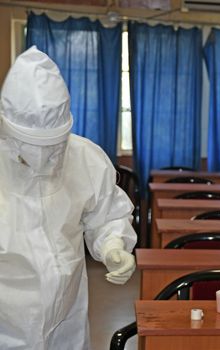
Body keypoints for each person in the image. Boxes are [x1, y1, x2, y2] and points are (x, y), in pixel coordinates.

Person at [0, 47, 137, 349]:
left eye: (54, 147)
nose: (46, 160)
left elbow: (107, 214)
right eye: (33, 148)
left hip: (68, 318)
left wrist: (113, 246)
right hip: (8, 323)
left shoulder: (85, 157)